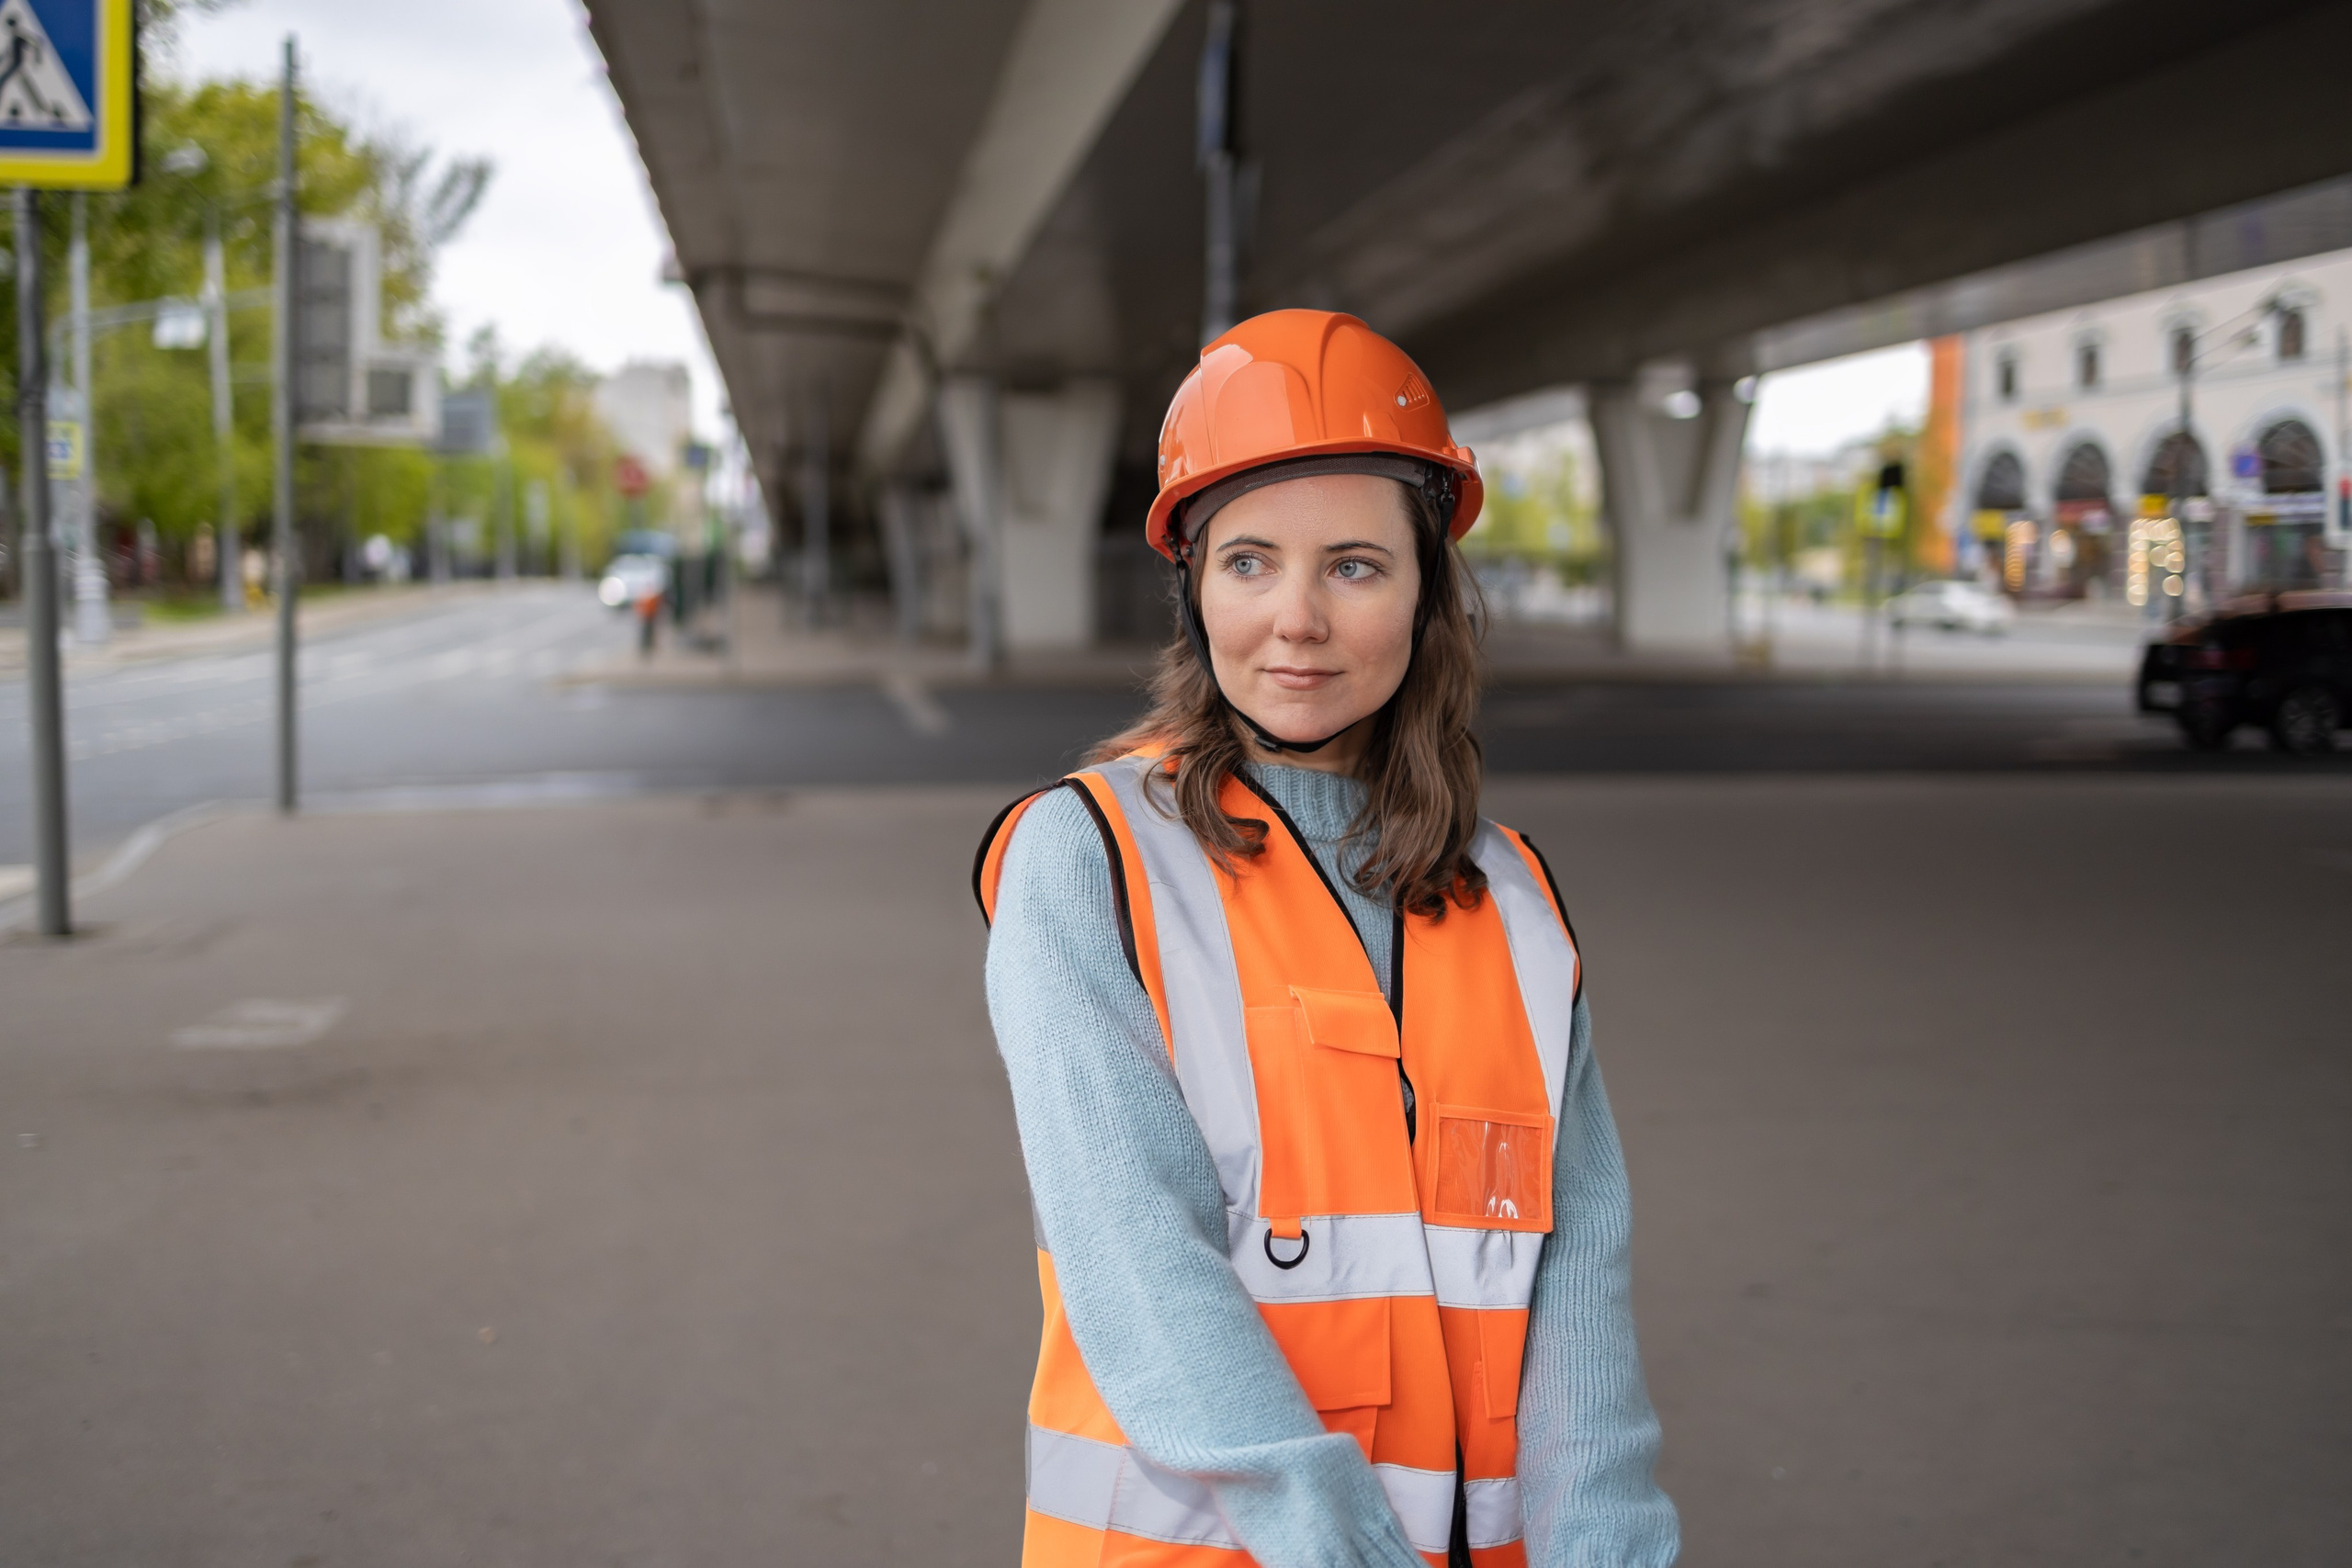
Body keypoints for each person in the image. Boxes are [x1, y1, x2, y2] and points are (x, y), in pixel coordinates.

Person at [978, 310, 1676, 1567]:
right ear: (1192, 589)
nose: (1295, 618)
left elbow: (1574, 1292)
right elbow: (1141, 1261)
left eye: (1354, 564)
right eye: (1249, 562)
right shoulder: (1086, 861)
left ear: (1426, 595)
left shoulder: (1509, 901)